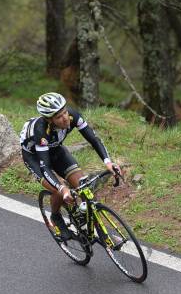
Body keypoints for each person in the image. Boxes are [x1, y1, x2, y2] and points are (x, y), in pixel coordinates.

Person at [21, 92, 121, 240]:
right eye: (59, 117)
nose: (65, 118)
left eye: (65, 112)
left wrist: (108, 162)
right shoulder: (41, 131)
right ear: (49, 119)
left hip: (56, 150)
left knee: (83, 186)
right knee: (58, 189)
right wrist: (62, 188)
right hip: (35, 158)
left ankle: (99, 230)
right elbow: (45, 167)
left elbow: (93, 139)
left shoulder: (73, 116)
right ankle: (56, 217)